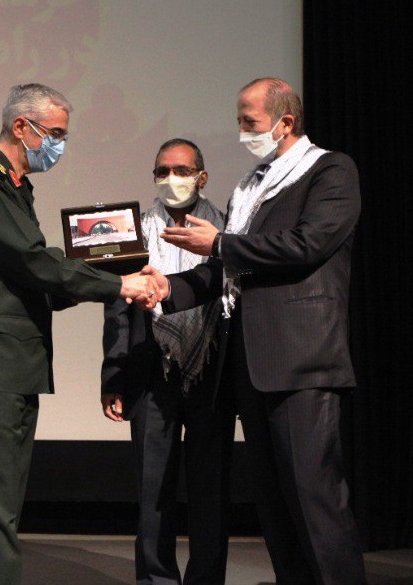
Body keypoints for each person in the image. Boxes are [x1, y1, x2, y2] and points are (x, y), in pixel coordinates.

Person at [0, 83, 167, 585]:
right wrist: (118, 284)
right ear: (21, 127)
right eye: (54, 134)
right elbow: (32, 262)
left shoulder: (15, 188)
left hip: (11, 365)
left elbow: (36, 278)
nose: (59, 145)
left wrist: (108, 270)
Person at [159, 78, 366, 585]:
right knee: (274, 509)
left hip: (300, 360)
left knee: (314, 502)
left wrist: (221, 244)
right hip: (250, 364)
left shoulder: (329, 170)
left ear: (285, 121)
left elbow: (306, 244)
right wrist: (164, 288)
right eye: (239, 121)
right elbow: (224, 271)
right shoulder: (251, 186)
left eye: (249, 122)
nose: (242, 132)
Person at [101, 138, 236, 585]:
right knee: (152, 488)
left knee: (210, 489)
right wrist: (114, 377)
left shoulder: (227, 230)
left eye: (181, 170)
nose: (171, 178)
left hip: (211, 372)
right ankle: (156, 579)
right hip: (149, 371)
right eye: (162, 171)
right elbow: (117, 311)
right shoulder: (133, 232)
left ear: (202, 176)